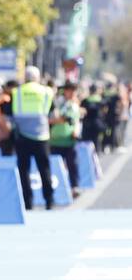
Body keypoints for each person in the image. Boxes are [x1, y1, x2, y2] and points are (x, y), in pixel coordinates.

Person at [12, 66, 54, 210]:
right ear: (38, 77)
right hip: (41, 135)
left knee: (24, 171)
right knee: (45, 169)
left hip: (22, 135)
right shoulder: (46, 91)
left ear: (25, 77)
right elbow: (49, 112)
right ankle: (49, 200)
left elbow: (14, 114)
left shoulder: (17, 92)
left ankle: (27, 202)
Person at [49, 83, 82, 197]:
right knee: (54, 167)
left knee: (72, 165)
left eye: (74, 91)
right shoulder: (57, 103)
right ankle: (55, 190)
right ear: (65, 91)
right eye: (70, 91)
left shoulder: (74, 105)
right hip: (55, 140)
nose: (72, 93)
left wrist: (76, 131)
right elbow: (51, 119)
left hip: (69, 141)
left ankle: (74, 187)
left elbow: (75, 121)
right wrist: (63, 119)